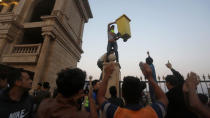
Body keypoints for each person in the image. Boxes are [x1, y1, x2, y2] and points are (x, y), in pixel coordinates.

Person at [97, 62, 168, 118]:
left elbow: (100, 97)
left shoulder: (115, 112)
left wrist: (106, 75)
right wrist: (150, 78)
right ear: (141, 94)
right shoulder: (153, 112)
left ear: (123, 94)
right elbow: (164, 99)